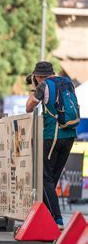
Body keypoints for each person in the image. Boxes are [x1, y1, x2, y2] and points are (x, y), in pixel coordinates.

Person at [26, 61, 77, 229]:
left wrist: (34, 88)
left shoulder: (44, 85)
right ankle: (48, 215)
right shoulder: (67, 82)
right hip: (70, 134)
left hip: (53, 135)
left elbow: (29, 107)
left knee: (44, 176)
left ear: (39, 76)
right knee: (52, 177)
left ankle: (57, 219)